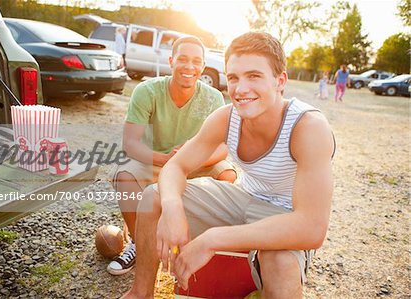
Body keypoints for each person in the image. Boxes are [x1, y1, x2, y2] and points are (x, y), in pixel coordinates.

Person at [121, 31, 335, 299]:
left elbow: (311, 227)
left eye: (254, 76)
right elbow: (176, 166)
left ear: (280, 81)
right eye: (233, 77)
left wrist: (212, 240)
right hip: (243, 196)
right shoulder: (226, 117)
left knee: (280, 264)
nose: (240, 89)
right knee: (154, 196)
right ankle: (140, 294)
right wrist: (173, 207)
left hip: (285, 214)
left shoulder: (308, 127)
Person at [107, 36, 236, 275]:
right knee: (125, 175)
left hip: (194, 162)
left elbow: (222, 148)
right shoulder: (147, 91)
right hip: (157, 159)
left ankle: (199, 246)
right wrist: (168, 160)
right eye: (183, 59)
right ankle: (139, 243)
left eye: (196, 61)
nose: (190, 67)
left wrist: (189, 159)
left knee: (228, 174)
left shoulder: (213, 98)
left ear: (203, 65)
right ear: (171, 61)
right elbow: (130, 143)